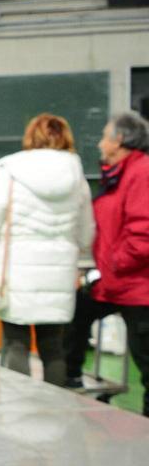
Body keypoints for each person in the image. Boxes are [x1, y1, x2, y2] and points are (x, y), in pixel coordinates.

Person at [0, 114, 94, 386]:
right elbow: (86, 234)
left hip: (15, 272)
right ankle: (55, 406)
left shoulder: (11, 173)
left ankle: (18, 405)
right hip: (59, 274)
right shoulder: (78, 179)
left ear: (31, 136)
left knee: (16, 341)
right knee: (53, 346)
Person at [65, 112, 149, 411]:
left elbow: (143, 234)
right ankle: (71, 379)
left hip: (138, 287)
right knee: (75, 314)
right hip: (114, 282)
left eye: (104, 137)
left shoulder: (142, 172)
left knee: (146, 359)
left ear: (120, 140)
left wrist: (114, 264)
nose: (100, 143)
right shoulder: (117, 174)